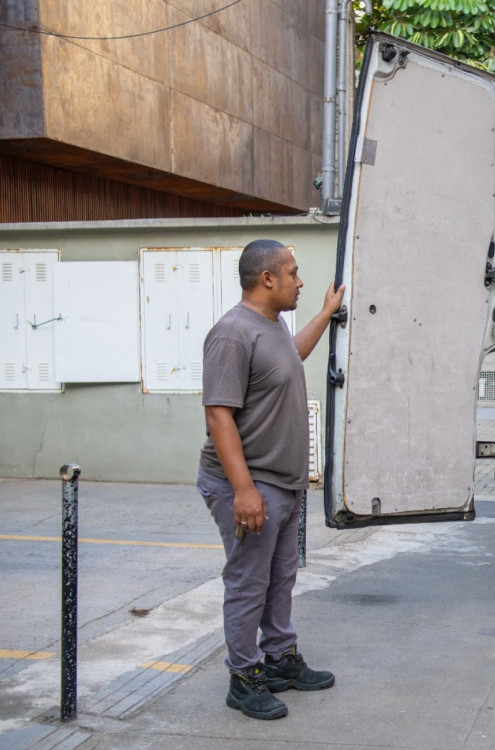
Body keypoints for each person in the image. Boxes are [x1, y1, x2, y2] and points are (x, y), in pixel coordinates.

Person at [197, 239, 346, 720]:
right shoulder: (232, 334)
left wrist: (325, 314)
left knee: (279, 577)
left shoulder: (273, 326)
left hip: (282, 483)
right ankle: (244, 677)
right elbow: (219, 416)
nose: (300, 281)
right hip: (250, 484)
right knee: (248, 582)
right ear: (268, 279)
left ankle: (279, 659)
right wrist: (244, 491)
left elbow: (290, 359)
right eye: (293, 273)